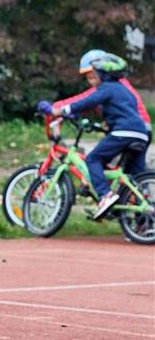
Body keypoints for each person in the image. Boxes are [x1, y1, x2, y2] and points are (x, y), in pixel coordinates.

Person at [50, 52, 150, 219]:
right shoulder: (126, 91)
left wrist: (62, 110)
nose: (92, 81)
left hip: (123, 132)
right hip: (141, 134)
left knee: (93, 159)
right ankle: (143, 222)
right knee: (136, 178)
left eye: (93, 76)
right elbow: (124, 111)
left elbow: (87, 101)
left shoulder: (106, 88)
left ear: (103, 74)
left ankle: (105, 195)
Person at [53, 49, 151, 132]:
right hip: (141, 126)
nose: (91, 82)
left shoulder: (110, 86)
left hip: (131, 128)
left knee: (98, 154)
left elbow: (85, 99)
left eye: (93, 77)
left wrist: (56, 107)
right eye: (89, 78)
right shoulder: (120, 83)